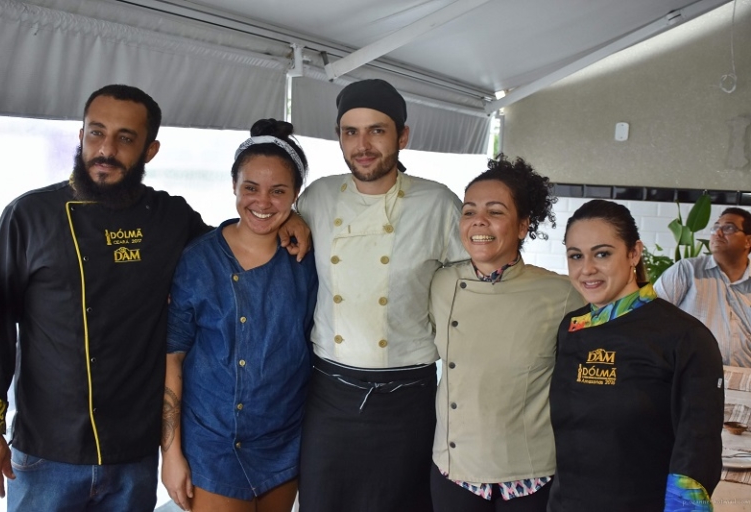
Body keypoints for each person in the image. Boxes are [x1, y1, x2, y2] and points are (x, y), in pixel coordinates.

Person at [0, 84, 309, 510]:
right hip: (48, 451)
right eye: (96, 133)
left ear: (150, 150)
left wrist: (292, 218)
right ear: (80, 136)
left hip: (133, 453)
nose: (106, 150)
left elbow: (237, 243)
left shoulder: (169, 216)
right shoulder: (29, 215)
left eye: (125, 138)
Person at [295, 78, 468, 512]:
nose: (363, 145)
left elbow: (474, 283)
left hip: (407, 395)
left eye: (377, 130)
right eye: (350, 132)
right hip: (329, 391)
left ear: (402, 136)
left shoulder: (438, 204)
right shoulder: (316, 198)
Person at [160, 119, 317, 512]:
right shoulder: (197, 260)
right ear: (234, 185)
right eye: (251, 188)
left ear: (296, 194)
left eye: (278, 191)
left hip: (283, 442)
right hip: (211, 445)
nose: (263, 202)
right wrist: (171, 454)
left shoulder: (307, 261)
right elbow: (172, 357)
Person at [428, 156, 584, 512]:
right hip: (454, 470)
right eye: (469, 211)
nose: (479, 220)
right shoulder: (439, 282)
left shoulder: (561, 293)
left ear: (523, 225)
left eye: (495, 212)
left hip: (529, 475)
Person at [549, 199, 724, 512]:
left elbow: (698, 450)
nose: (586, 269)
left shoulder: (685, 337)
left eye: (602, 253)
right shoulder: (572, 327)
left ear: (634, 253)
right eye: (576, 256)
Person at [654, 207, 751, 366]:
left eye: (728, 228)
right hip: (692, 374)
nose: (718, 233)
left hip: (745, 377)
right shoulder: (687, 270)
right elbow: (650, 316)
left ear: (748, 241)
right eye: (715, 227)